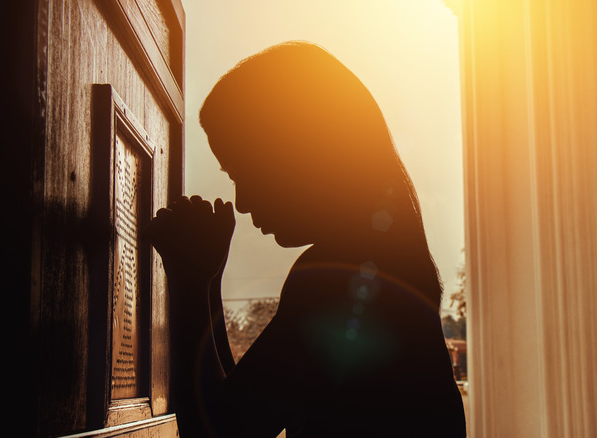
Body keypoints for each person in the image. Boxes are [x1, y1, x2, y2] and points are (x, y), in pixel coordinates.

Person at [146, 41, 466, 437]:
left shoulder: (338, 278)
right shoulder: (385, 264)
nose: (241, 203)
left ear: (297, 154)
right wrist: (205, 280)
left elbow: (219, 432)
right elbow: (240, 410)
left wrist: (189, 281)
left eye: (241, 171)